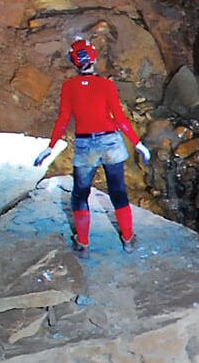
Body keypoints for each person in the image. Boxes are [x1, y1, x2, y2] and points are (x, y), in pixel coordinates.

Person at [33, 36, 151, 257]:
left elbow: (63, 119)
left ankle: (83, 244)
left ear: (74, 62)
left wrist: (50, 147)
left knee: (80, 194)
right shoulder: (106, 85)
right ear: (94, 59)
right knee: (118, 191)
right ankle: (128, 239)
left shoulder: (69, 87)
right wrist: (138, 144)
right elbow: (120, 118)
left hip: (85, 144)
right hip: (110, 142)